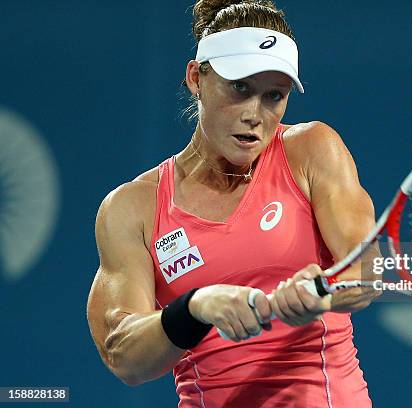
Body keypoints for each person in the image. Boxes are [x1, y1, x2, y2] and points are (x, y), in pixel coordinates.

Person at [87, 0, 379, 406]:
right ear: (196, 78)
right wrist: (195, 307)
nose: (254, 115)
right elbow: (124, 357)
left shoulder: (312, 150)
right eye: (240, 88)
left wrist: (322, 292)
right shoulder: (131, 208)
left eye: (273, 96)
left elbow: (366, 271)